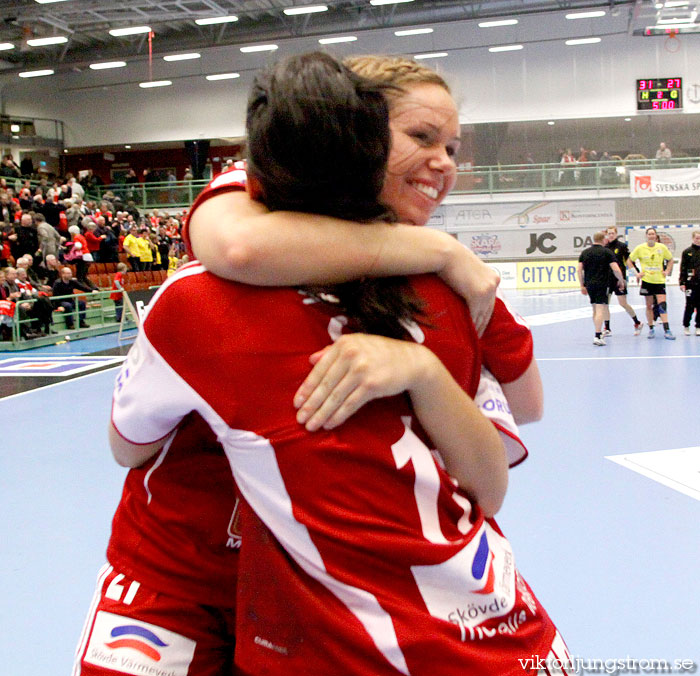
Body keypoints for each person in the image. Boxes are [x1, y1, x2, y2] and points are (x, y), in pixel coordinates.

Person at [80, 53, 565, 676]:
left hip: (315, 597)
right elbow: (240, 243)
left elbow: (511, 432)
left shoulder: (452, 292)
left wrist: (424, 364)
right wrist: (435, 248)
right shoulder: (239, 240)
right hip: (185, 573)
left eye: (451, 144)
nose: (444, 162)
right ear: (354, 137)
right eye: (420, 137)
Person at [578, 231, 626, 345]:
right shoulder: (607, 252)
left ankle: (597, 332)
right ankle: (597, 335)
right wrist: (621, 280)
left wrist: (582, 284)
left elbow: (579, 270)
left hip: (590, 284)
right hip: (602, 284)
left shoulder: (585, 253)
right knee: (600, 309)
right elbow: (616, 269)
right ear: (603, 239)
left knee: (594, 309)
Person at [628, 227, 675, 339]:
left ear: (656, 236)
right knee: (649, 305)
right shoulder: (640, 248)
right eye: (649, 234)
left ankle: (667, 330)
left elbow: (671, 260)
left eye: (653, 234)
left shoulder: (662, 248)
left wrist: (667, 271)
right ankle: (651, 328)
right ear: (646, 236)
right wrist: (636, 273)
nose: (651, 236)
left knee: (662, 305)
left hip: (659, 281)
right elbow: (629, 261)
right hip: (647, 281)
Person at [604, 226, 642, 336]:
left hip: (619, 280)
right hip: (608, 280)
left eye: (613, 233)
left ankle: (637, 322)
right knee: (605, 304)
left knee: (623, 303)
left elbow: (629, 261)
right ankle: (607, 328)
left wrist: (637, 273)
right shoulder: (605, 248)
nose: (611, 235)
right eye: (609, 233)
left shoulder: (622, 246)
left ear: (616, 234)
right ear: (606, 235)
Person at [679, 229, 700, 336]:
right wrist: (682, 282)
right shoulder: (687, 252)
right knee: (690, 305)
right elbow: (683, 268)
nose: (698, 240)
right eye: (696, 238)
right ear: (693, 238)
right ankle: (686, 325)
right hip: (690, 284)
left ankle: (698, 326)